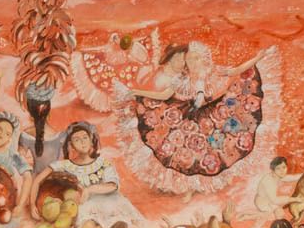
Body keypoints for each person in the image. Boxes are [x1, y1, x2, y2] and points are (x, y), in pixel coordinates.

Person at [114, 41, 269, 195]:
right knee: (185, 147)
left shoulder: (211, 70)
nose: (194, 62)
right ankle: (189, 187)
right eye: (190, 59)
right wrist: (138, 93)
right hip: (189, 114)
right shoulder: (182, 78)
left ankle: (197, 186)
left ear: (203, 58)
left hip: (211, 113)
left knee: (214, 145)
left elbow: (236, 70)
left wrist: (257, 59)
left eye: (197, 58)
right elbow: (164, 95)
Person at [50, 121, 147, 228]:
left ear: (91, 140)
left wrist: (89, 189)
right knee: (88, 227)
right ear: (71, 145)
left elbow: (113, 185)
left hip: (109, 201)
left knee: (121, 220)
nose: (82, 142)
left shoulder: (103, 163)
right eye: (76, 140)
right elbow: (41, 178)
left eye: (85, 137)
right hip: (86, 205)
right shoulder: (67, 165)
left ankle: (115, 226)